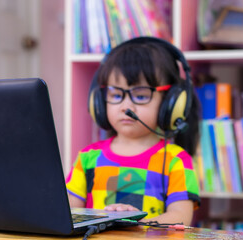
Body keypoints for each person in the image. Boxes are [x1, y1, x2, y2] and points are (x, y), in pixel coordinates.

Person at [66, 37, 201, 226]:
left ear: (171, 103)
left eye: (140, 95)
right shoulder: (88, 157)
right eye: (116, 95)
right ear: (99, 101)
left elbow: (181, 217)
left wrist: (135, 223)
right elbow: (69, 213)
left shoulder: (176, 161)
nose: (126, 106)